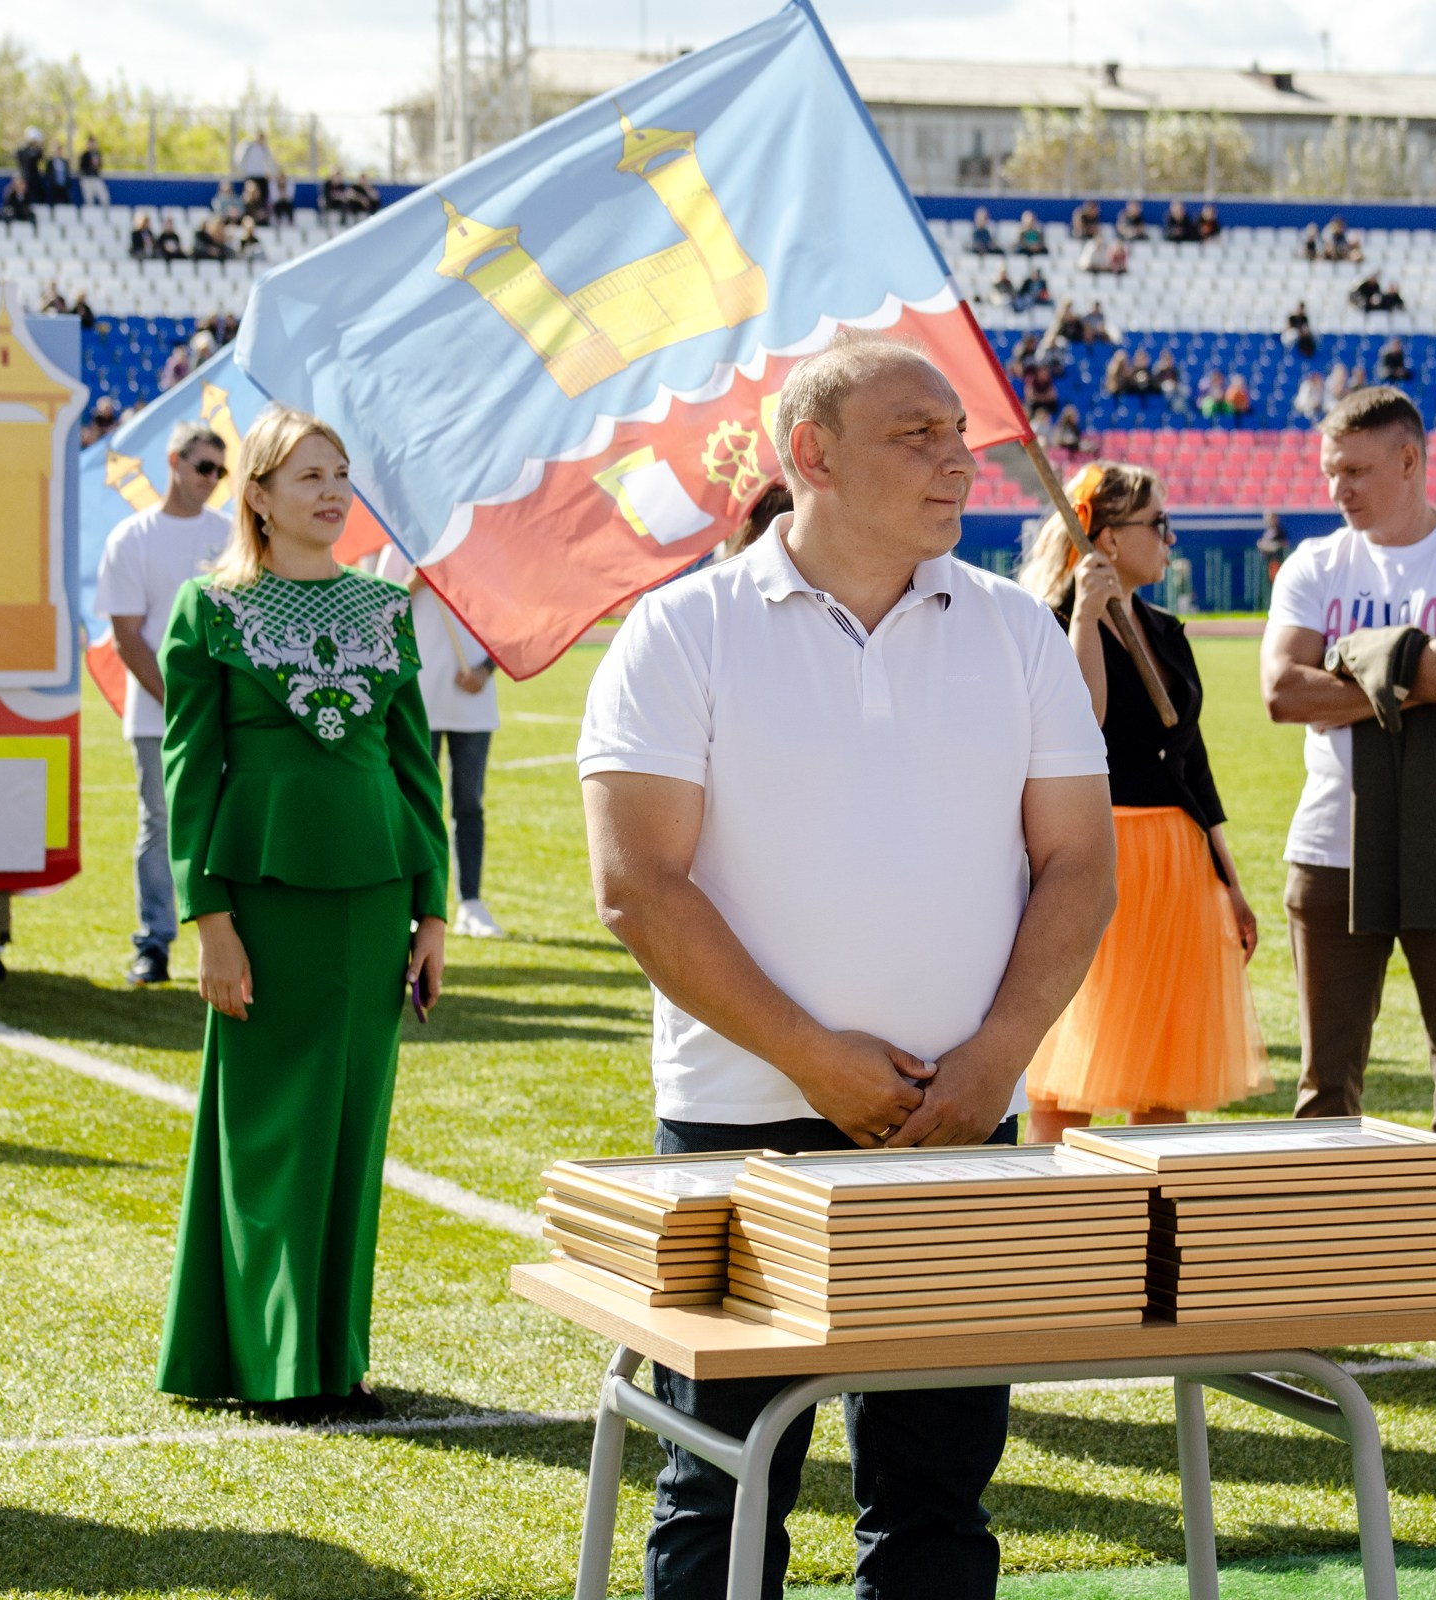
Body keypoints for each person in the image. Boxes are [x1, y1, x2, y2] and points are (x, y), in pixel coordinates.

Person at [576, 336, 1114, 1599]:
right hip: (740, 1123)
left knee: (938, 1492)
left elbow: (1080, 866)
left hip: (956, 1123)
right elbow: (638, 887)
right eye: (914, 433)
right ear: (809, 453)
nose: (959, 458)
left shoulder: (1015, 633)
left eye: (959, 434)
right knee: (722, 1476)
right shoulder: (681, 631)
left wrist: (993, 1060)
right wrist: (817, 1060)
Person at [156, 406, 448, 1412]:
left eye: (341, 472)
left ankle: (333, 1360)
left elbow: (417, 769)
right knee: (269, 1131)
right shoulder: (210, 607)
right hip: (263, 902)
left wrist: (434, 914)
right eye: (307, 474)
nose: (331, 489)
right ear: (261, 497)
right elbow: (190, 772)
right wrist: (212, 921)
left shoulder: (385, 607)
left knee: (352, 1133)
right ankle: (269, 1364)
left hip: (376, 898)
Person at [1261, 386, 1436, 1340]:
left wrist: (1356, 662)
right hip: (1329, 844)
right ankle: (1321, 1266)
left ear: (1412, 460)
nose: (1340, 489)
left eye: (1358, 471)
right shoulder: (1313, 560)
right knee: (1326, 1079)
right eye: (1331, 471)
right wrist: (1404, 664)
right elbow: (1282, 695)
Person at [1015, 462, 1266, 1140]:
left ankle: (1152, 1235)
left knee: (1164, 1072)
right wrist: (1088, 617)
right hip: (1101, 857)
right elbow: (1080, 726)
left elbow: (1193, 764)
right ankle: (1057, 1229)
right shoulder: (1053, 624)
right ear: (1112, 539)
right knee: (1069, 1076)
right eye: (1158, 524)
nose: (1170, 539)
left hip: (1179, 868)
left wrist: (1230, 883)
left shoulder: (1165, 630)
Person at [94, 423, 235, 987]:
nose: (211, 481)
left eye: (220, 472)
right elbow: (127, 635)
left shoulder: (231, 536)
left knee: (229, 823)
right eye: (203, 467)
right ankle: (154, 942)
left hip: (227, 713)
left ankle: (232, 940)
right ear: (173, 462)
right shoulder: (132, 537)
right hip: (158, 715)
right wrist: (181, 702)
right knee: (161, 823)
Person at [368, 546, 506, 940]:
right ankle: (417, 903)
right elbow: (377, 614)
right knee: (416, 805)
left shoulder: (479, 544)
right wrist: (416, 581)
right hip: (417, 701)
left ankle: (471, 903)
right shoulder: (398, 545)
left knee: (469, 803)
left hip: (472, 701)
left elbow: (504, 620)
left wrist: (485, 669)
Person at [78, 136, 108, 206]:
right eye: (90, 143)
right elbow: (81, 167)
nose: (92, 145)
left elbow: (100, 165)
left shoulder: (98, 153)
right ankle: (90, 215)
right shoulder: (85, 154)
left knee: (104, 197)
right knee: (89, 200)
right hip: (87, 178)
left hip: (96, 178)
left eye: (93, 143)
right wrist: (90, 165)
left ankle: (105, 215)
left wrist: (97, 165)